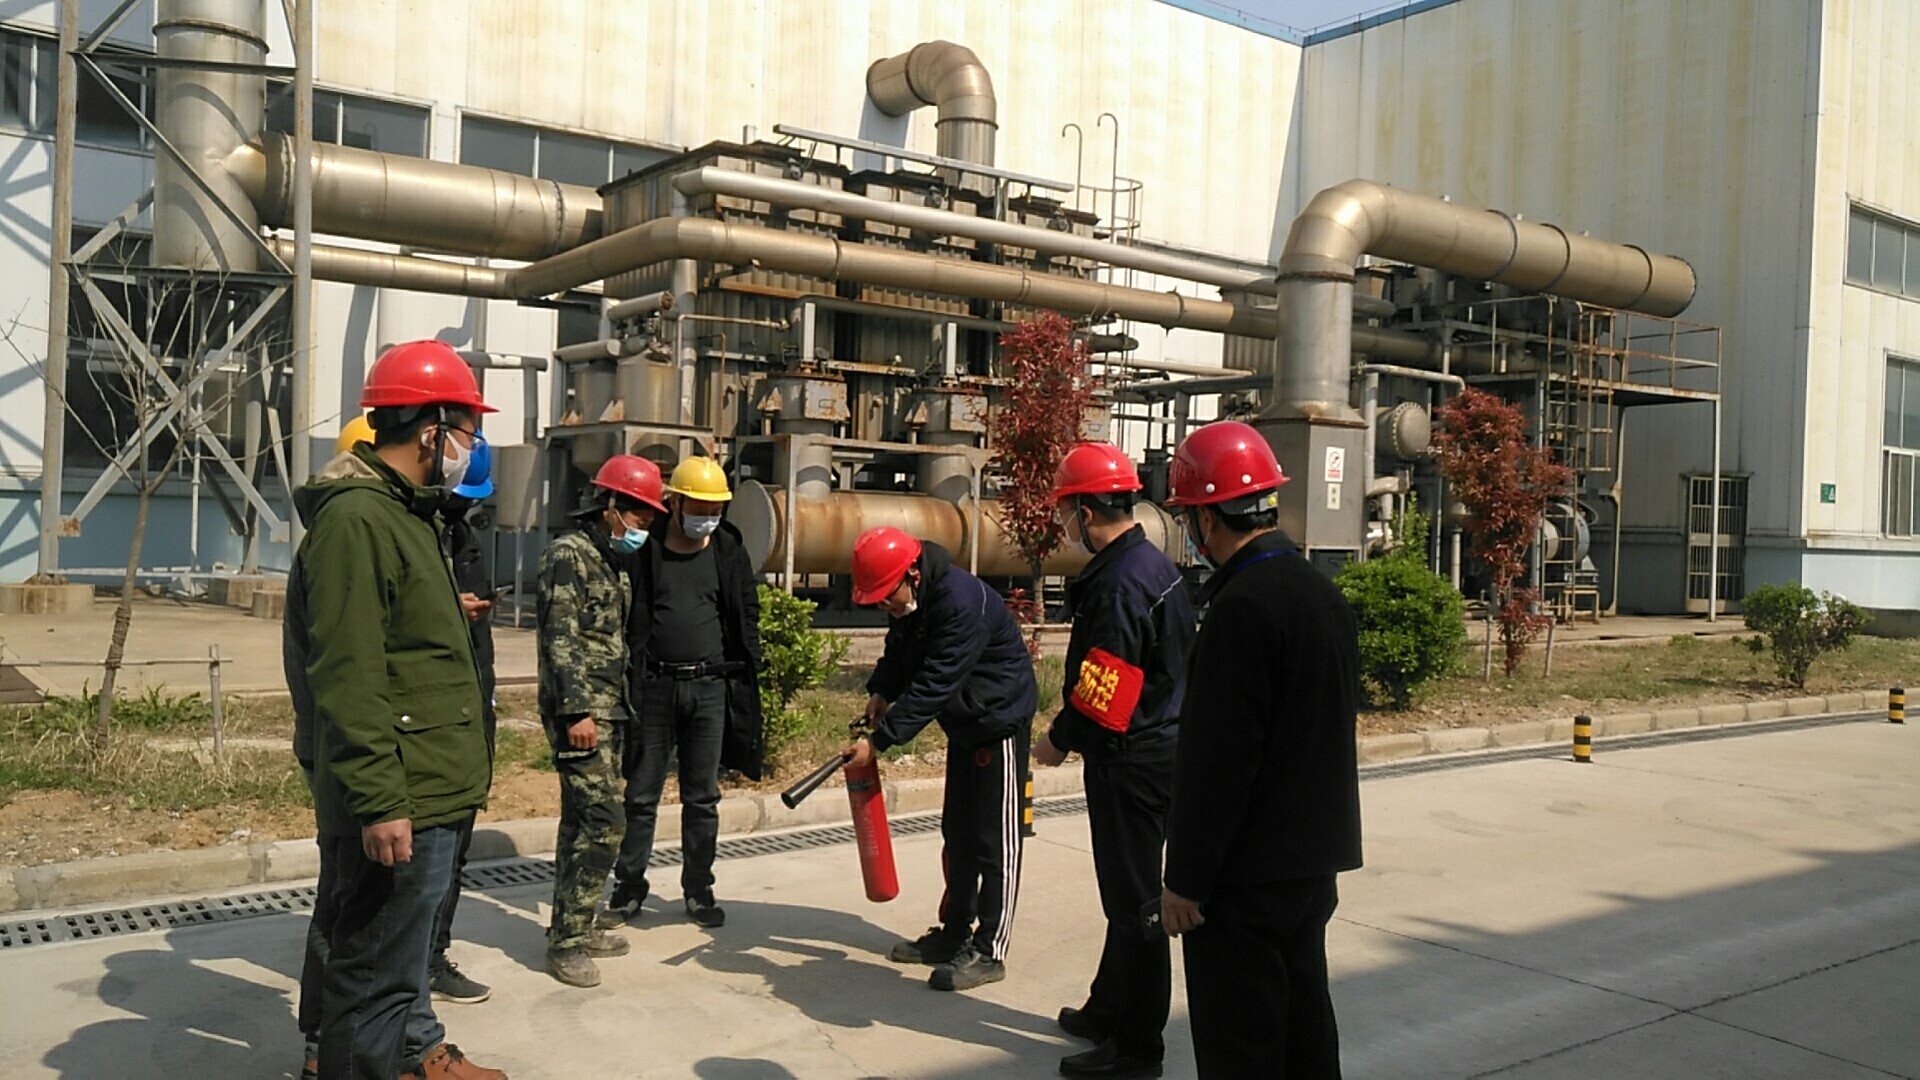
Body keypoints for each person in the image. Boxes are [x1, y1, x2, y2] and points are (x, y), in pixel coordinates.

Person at [284, 340, 507, 1080]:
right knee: (371, 979)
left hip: (428, 782)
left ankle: (404, 1057)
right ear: (432, 430)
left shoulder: (405, 514)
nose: (470, 447)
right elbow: (348, 672)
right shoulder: (358, 521)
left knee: (393, 966)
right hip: (401, 790)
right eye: (467, 430)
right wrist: (380, 800)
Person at [1158, 421, 1364, 1079]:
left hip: (1244, 875)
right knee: (1304, 1030)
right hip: (1310, 865)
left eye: (1188, 517)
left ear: (1208, 518)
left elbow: (1220, 762)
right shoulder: (1321, 594)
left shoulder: (1241, 607)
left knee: (1241, 1045)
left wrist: (1186, 879)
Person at [1032, 443, 1195, 1079]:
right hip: (1159, 745)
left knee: (1136, 906)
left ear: (1086, 508)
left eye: (1066, 509)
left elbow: (1107, 685)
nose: (1063, 522)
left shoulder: (1120, 583)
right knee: (1125, 896)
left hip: (1132, 758)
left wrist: (1058, 738)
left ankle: (1137, 1047)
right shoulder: (1149, 563)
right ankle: (1108, 1007)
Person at [846, 526, 1038, 992]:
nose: (886, 607)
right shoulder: (910, 601)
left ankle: (990, 949)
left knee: (996, 842)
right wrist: (881, 690)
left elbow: (936, 680)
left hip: (998, 721)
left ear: (912, 573)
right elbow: (901, 652)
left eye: (887, 597)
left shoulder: (959, 602)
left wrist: (880, 741)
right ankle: (954, 933)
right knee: (959, 833)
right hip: (965, 722)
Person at [606, 456, 765, 930]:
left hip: (709, 687)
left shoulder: (728, 550)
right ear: (674, 503)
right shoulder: (646, 548)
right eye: (699, 508)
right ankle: (628, 887)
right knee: (641, 795)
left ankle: (699, 889)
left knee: (702, 798)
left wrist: (747, 663)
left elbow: (746, 610)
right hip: (655, 687)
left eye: (715, 509)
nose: (707, 518)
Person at [540, 455, 667, 986]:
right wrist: (576, 710)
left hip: (610, 710)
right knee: (605, 822)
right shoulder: (569, 555)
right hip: (582, 713)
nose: (642, 529)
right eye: (638, 518)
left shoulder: (611, 559)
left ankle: (575, 923)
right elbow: (560, 636)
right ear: (610, 506)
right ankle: (567, 943)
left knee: (579, 823)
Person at [429, 437, 499, 1006]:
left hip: (470, 704)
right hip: (428, 716)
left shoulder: (463, 536)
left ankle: (432, 957)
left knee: (454, 852)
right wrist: (448, 608)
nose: (461, 506)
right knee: (422, 860)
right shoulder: (409, 533)